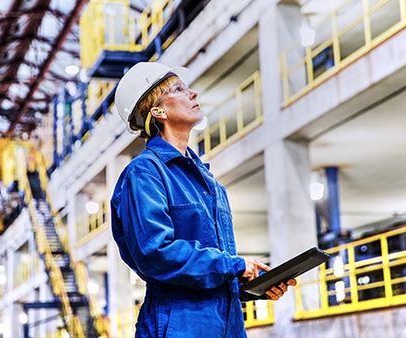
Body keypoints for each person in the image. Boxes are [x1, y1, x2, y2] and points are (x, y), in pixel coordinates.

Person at [110, 62, 296, 337]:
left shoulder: (210, 184)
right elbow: (156, 254)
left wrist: (251, 285)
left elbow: (208, 274)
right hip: (177, 328)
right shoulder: (144, 174)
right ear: (158, 112)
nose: (193, 94)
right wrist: (235, 266)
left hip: (227, 327)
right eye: (179, 89)